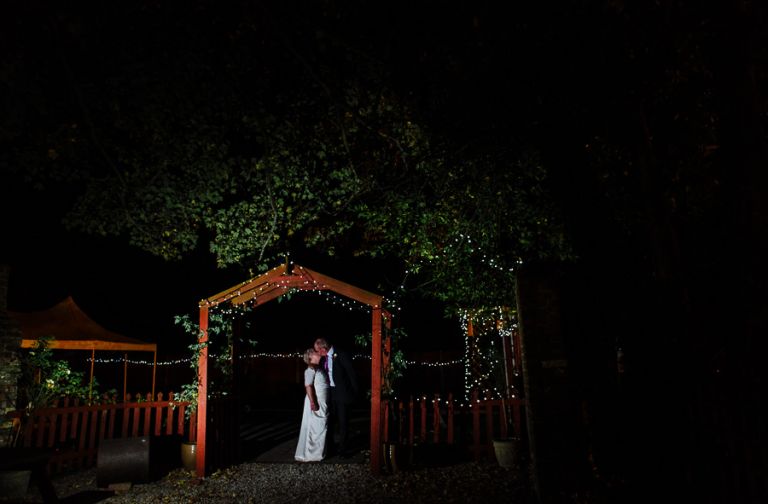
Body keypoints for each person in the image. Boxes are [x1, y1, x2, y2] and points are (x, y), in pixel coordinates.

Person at [314, 337, 358, 457]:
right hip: (329, 394)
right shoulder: (323, 359)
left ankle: (343, 450)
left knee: (343, 423)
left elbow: (351, 374)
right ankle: (330, 448)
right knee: (329, 421)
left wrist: (354, 393)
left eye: (317, 350)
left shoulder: (341, 354)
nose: (317, 353)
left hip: (342, 394)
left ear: (323, 348)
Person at [294, 348, 329, 462]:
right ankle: (312, 454)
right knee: (315, 426)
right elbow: (308, 386)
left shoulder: (319, 367)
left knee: (321, 426)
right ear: (310, 357)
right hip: (316, 401)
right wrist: (313, 402)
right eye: (314, 352)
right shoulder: (310, 369)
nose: (317, 352)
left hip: (323, 401)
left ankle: (319, 453)